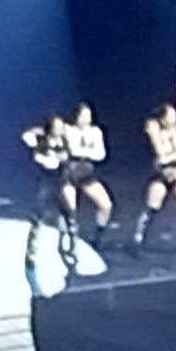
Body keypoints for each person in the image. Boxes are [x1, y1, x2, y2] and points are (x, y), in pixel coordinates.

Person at [135, 103, 176, 250]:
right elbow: (160, 152)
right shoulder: (155, 131)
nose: (173, 120)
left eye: (175, 116)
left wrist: (169, 157)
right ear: (162, 119)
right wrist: (171, 156)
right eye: (170, 117)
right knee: (152, 208)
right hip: (161, 175)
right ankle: (139, 236)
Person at [21, 115, 75, 269]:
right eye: (56, 127)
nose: (59, 130)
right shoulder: (42, 142)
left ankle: (70, 247)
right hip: (46, 182)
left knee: (69, 214)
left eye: (61, 127)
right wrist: (38, 132)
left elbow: (67, 157)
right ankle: (31, 251)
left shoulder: (65, 141)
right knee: (39, 215)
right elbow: (38, 155)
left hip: (61, 181)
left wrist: (60, 159)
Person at [61, 102, 114, 248]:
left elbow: (101, 154)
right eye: (83, 116)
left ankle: (98, 236)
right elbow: (73, 150)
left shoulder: (95, 132)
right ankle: (69, 238)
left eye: (88, 116)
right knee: (71, 208)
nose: (86, 120)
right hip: (69, 174)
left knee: (106, 205)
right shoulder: (68, 129)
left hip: (86, 174)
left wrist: (85, 153)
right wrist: (89, 152)